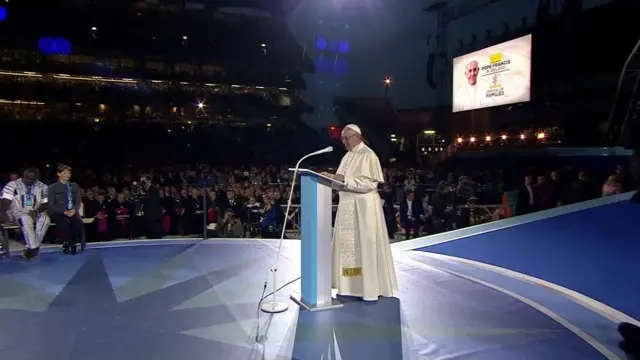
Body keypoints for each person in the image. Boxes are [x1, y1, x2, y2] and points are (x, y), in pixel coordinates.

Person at [321, 124, 398, 301]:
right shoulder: (348, 156)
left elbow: (369, 184)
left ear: (357, 137)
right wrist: (330, 178)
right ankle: (350, 285)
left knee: (365, 246)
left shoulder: (368, 155)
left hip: (364, 209)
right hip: (347, 206)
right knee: (348, 249)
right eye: (342, 139)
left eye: (346, 138)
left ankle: (367, 287)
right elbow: (341, 180)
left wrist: (342, 179)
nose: (344, 142)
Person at [1, 168, 50, 260]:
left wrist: (37, 211)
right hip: (15, 212)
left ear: (36, 178)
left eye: (32, 179)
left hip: (34, 211)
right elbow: (5, 201)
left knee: (45, 219)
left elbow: (45, 203)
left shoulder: (43, 187)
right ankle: (33, 248)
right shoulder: (13, 185)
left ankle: (31, 248)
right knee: (25, 217)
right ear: (23, 176)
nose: (29, 181)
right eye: (27, 178)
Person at [48, 164, 83, 254]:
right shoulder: (52, 187)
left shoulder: (74, 186)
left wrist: (74, 210)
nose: (67, 175)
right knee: (64, 224)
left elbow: (78, 202)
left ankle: (71, 243)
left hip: (72, 211)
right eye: (65, 173)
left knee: (77, 222)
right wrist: (64, 212)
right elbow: (51, 204)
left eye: (69, 173)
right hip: (58, 212)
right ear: (59, 174)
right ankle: (69, 244)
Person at [140, 174, 164, 239]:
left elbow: (152, 204)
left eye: (143, 182)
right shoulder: (147, 191)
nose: (142, 184)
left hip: (154, 220)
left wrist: (144, 196)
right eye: (141, 182)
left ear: (149, 181)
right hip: (149, 219)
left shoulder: (153, 190)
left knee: (155, 238)